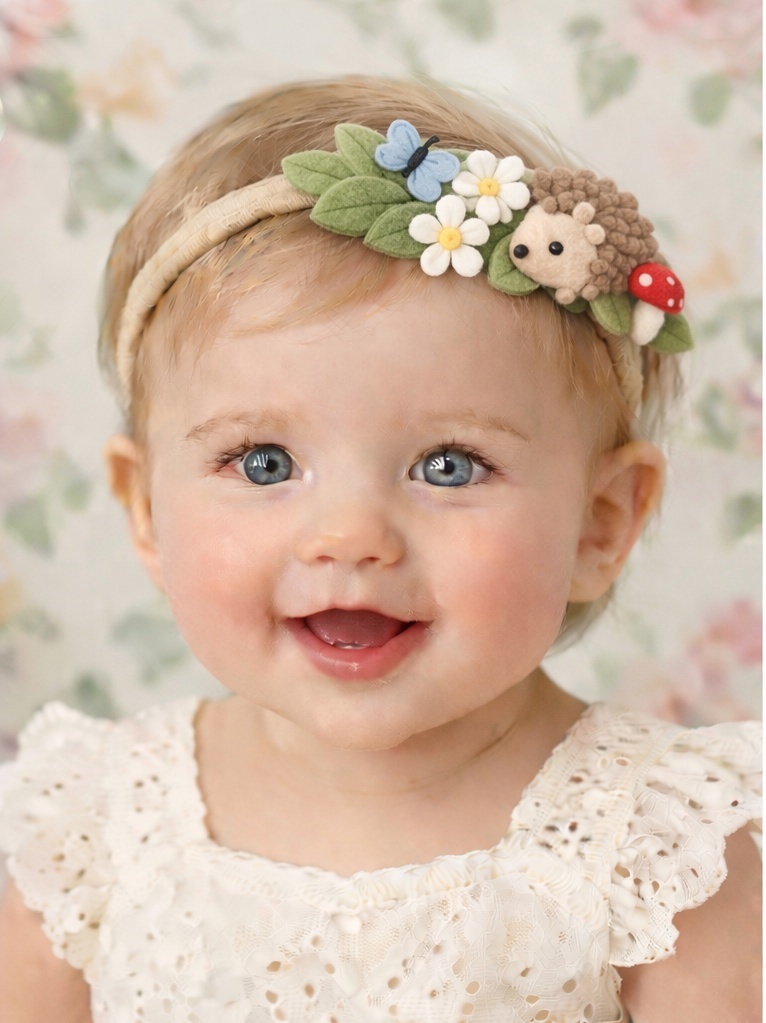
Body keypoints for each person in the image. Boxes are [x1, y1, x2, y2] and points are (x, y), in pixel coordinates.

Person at [0, 76, 760, 1023]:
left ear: (600, 523)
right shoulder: (95, 823)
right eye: (264, 459)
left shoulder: (659, 847)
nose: (350, 536)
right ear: (145, 508)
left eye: (449, 465)